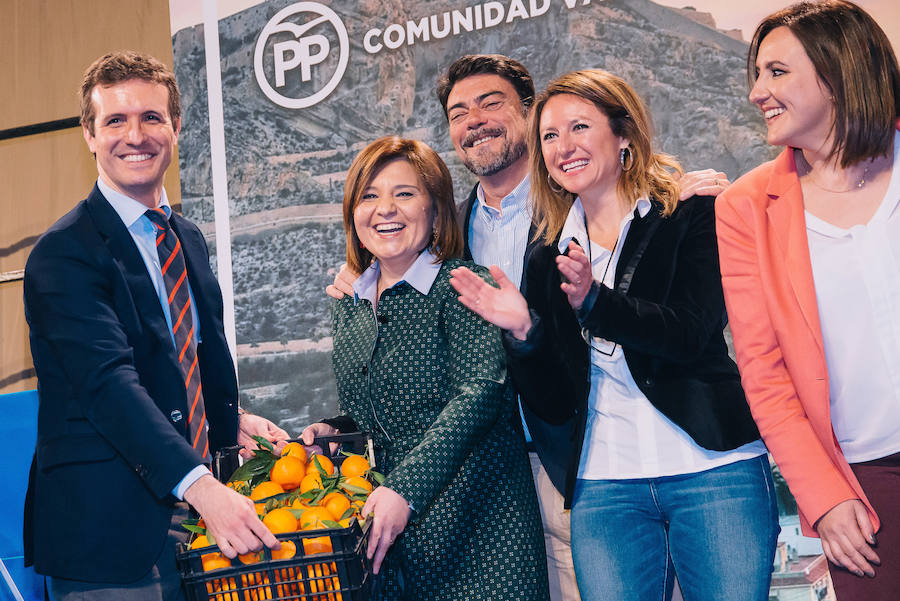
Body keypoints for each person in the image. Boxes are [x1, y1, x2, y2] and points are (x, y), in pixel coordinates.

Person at [327, 54, 731, 601]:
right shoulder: (450, 238)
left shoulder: (580, 199)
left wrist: (670, 186)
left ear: (529, 111)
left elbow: (665, 289)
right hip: (479, 478)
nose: (475, 120)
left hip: (576, 457)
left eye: (490, 102)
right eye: (458, 112)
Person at [450, 69, 779, 601]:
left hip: (713, 472)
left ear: (623, 134)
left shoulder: (689, 214)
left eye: (579, 127)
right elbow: (555, 399)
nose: (564, 147)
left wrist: (595, 303)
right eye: (550, 136)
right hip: (605, 486)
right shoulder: (546, 256)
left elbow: (692, 333)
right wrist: (525, 333)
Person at [23, 51, 288, 600]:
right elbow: (107, 384)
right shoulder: (62, 254)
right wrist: (204, 488)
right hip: (111, 539)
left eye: (151, 117)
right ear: (89, 135)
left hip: (198, 531)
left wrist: (230, 421)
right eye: (114, 120)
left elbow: (182, 362)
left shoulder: (185, 237)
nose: (134, 135)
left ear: (176, 127)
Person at [302, 136, 549, 600]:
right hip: (396, 552)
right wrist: (333, 431)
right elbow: (381, 411)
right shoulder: (350, 304)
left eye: (405, 194)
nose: (385, 209)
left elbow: (480, 394)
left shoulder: (464, 283)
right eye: (369, 196)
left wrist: (405, 490)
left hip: (482, 538)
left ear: (436, 212)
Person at [716, 2, 900, 598]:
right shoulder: (745, 207)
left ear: (838, 71)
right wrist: (822, 497)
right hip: (865, 486)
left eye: (775, 72)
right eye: (757, 74)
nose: (755, 93)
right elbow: (764, 376)